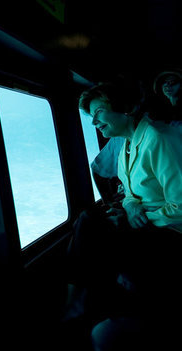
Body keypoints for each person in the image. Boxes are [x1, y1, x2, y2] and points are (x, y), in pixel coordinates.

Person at [63, 78, 182, 349]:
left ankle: (82, 306)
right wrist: (130, 207)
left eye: (98, 114)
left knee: (92, 227)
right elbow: (129, 193)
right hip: (148, 223)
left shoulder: (158, 139)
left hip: (172, 230)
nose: (94, 123)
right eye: (91, 117)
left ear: (124, 108)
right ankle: (83, 305)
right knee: (90, 221)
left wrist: (143, 217)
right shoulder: (125, 145)